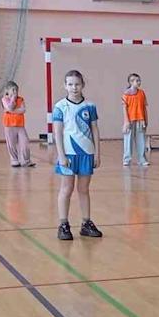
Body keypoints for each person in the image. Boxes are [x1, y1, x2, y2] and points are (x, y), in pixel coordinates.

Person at [50, 70, 103, 241]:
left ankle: (86, 223)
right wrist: (61, 155)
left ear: (83, 85)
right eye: (70, 84)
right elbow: (58, 133)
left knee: (84, 189)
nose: (74, 87)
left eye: (77, 84)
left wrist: (97, 153)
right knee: (66, 189)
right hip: (69, 154)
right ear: (65, 86)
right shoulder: (60, 107)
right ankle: (63, 224)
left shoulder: (90, 106)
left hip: (86, 153)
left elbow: (95, 129)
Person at [0, 80, 34, 168]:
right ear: (8, 90)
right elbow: (9, 107)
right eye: (13, 90)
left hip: (20, 125)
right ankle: (14, 160)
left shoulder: (21, 99)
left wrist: (11, 111)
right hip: (9, 125)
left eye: (16, 90)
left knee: (25, 142)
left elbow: (23, 110)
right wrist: (12, 99)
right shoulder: (4, 99)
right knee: (11, 144)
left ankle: (26, 160)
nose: (15, 92)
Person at [121, 73, 150, 167]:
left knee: (141, 140)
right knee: (128, 140)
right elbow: (124, 109)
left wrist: (145, 119)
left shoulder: (142, 93)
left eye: (139, 80)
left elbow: (144, 108)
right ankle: (127, 159)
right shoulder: (126, 95)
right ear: (130, 82)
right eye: (136, 81)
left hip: (140, 119)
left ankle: (142, 159)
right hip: (130, 120)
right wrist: (126, 121)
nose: (138, 82)